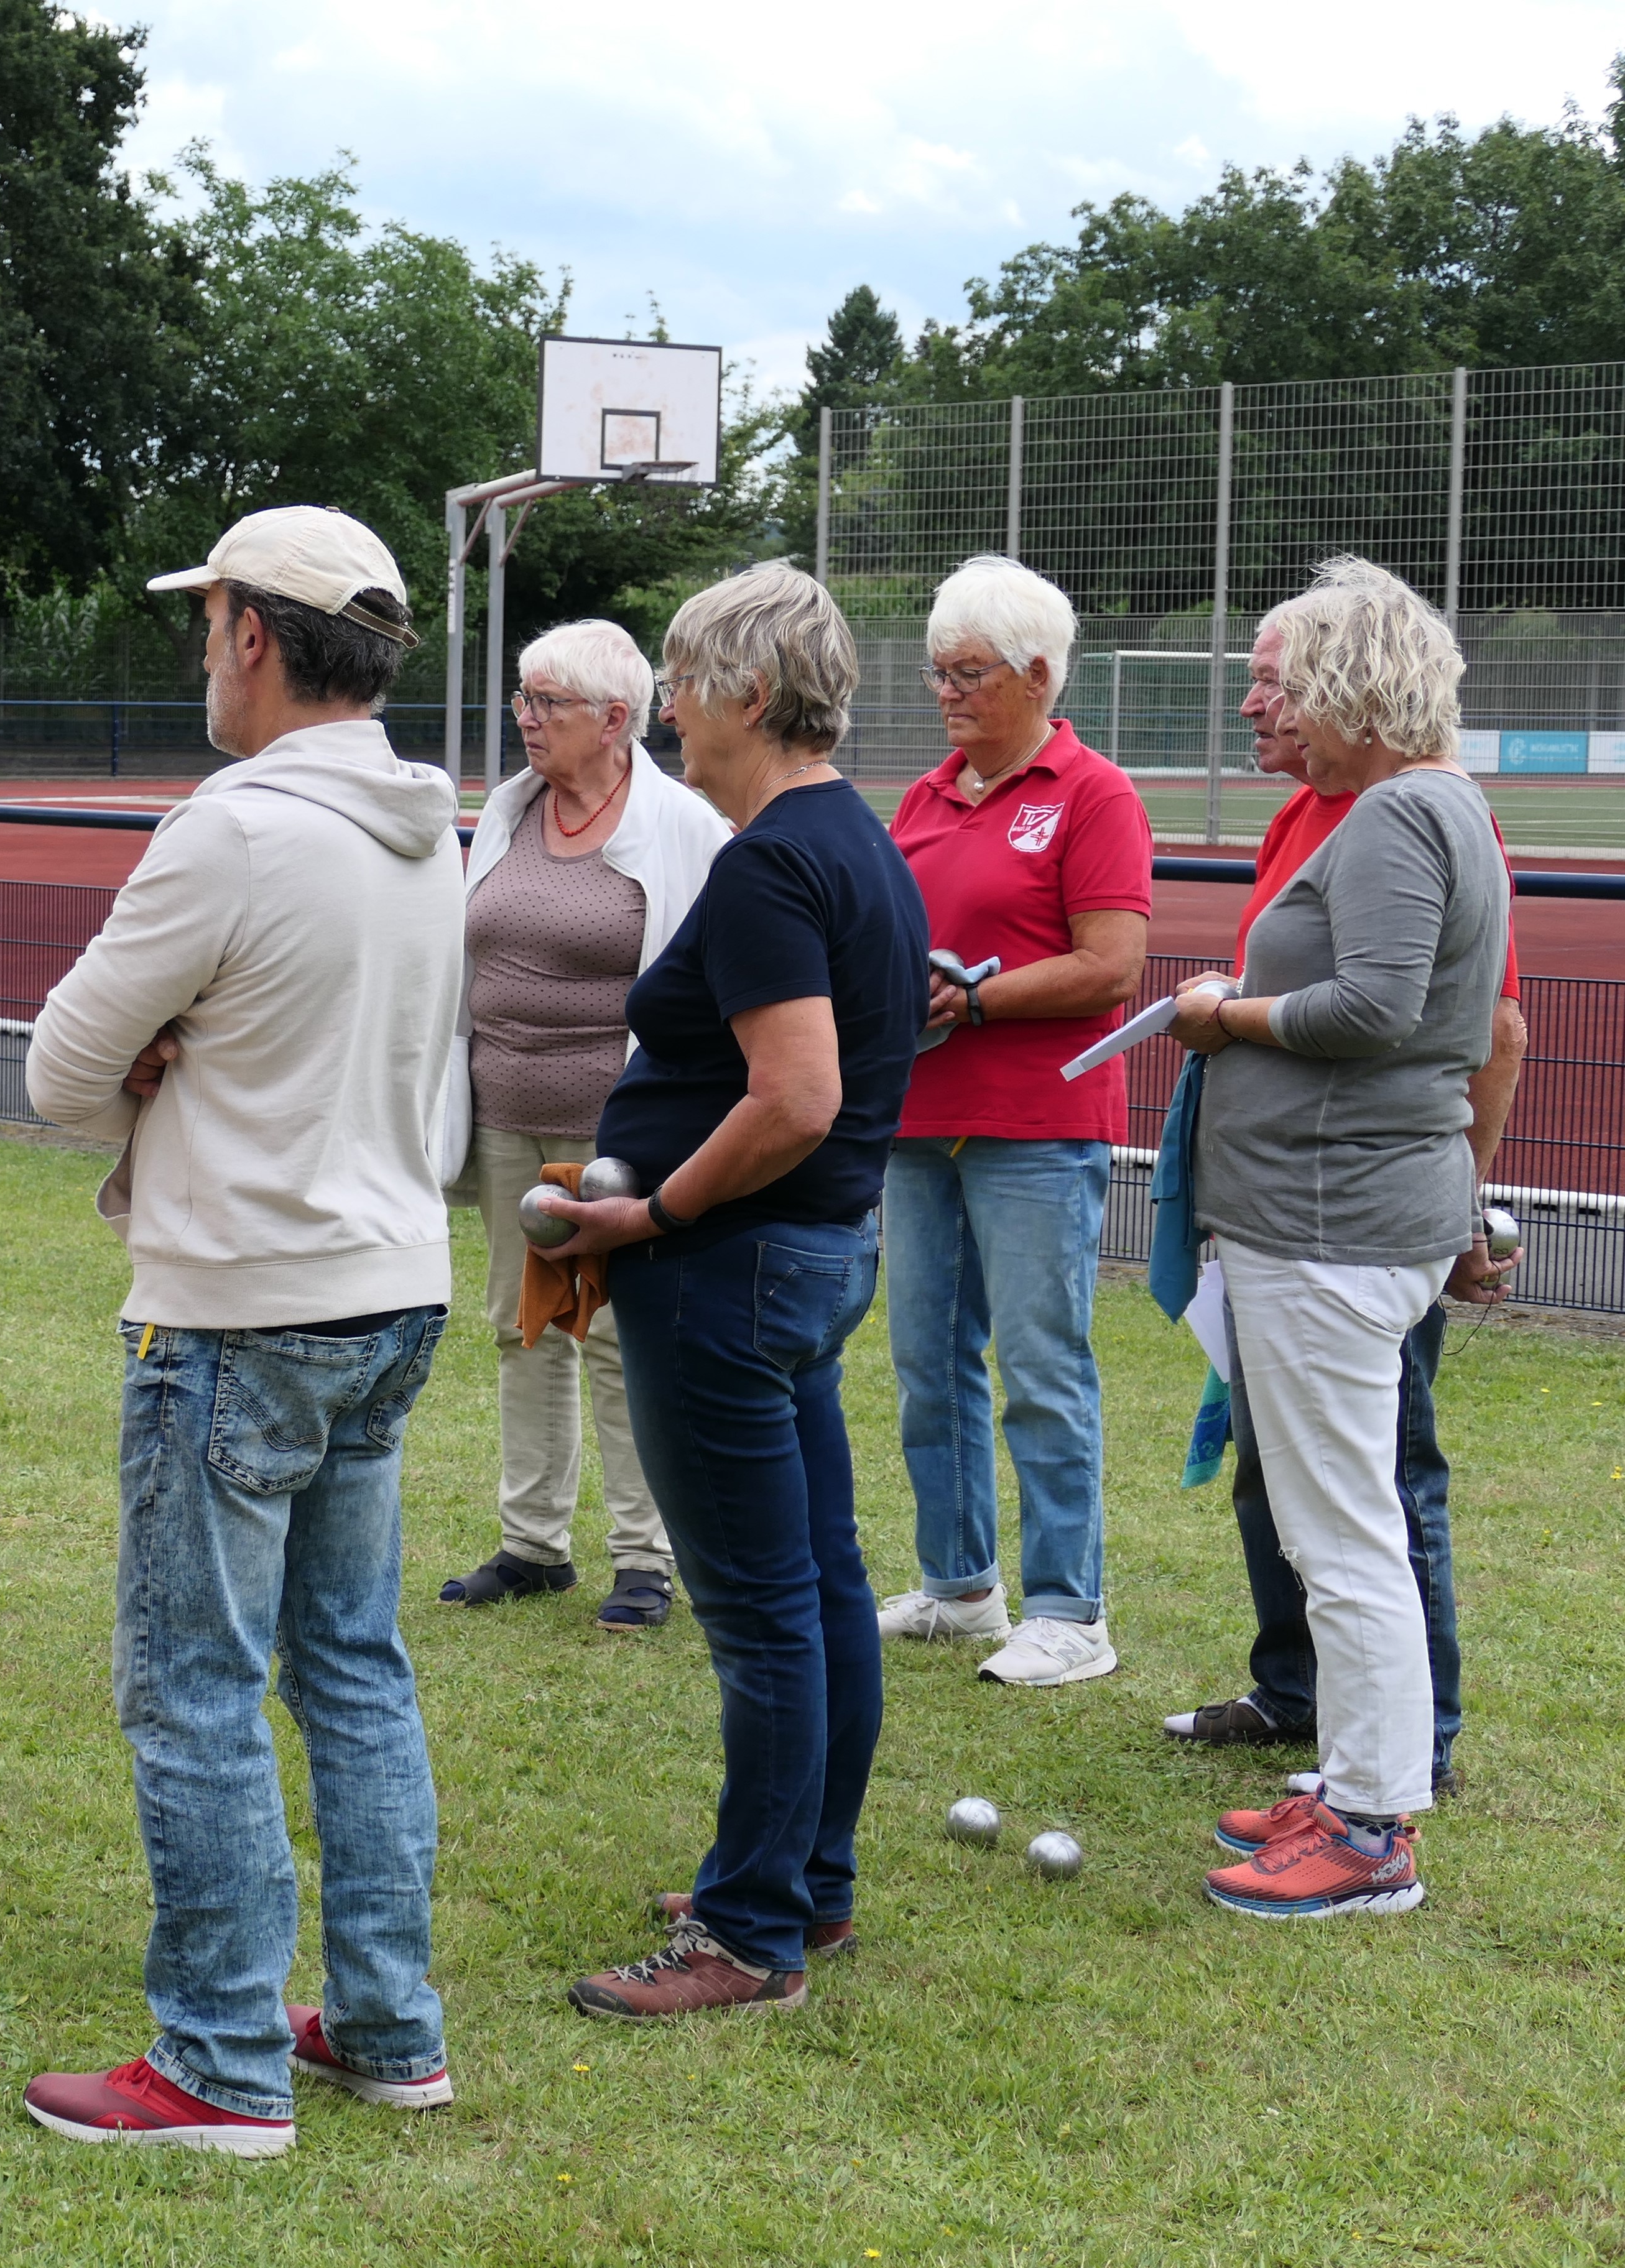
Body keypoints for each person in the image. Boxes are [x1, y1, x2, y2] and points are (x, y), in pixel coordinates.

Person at [18, 507, 464, 2153]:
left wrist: (162, 1066)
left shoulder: (238, 828)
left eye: (209, 625)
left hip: (239, 1302)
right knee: (353, 1669)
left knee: (198, 1683)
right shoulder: (439, 830)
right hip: (387, 1281)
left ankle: (217, 2063)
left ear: (257, 637)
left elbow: (63, 1071)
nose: (202, 655)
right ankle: (386, 2026)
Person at [541, 564, 928, 2019]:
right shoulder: (853, 841)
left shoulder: (768, 860)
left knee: (767, 1612)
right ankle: (799, 1885)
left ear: (746, 698)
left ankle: (751, 1930)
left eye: (683, 686)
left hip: (730, 1272)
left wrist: (648, 1207)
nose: (669, 718)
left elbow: (798, 1094)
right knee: (817, 1587)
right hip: (808, 1263)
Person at [1169, 560, 1506, 1919]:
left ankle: (1370, 1829)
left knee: (1344, 1533)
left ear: (1353, 683)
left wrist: (1230, 1017)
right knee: (1345, 1522)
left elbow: (1373, 1009)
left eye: (1296, 677)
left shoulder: (1391, 816)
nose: (1279, 704)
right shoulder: (1437, 806)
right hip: (1344, 1211)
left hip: (1330, 1221)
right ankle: (1361, 1783)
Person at [873, 557, 1152, 1685]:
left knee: (1042, 1362)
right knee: (926, 1362)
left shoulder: (1094, 794)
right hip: (917, 1114)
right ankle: (957, 1584)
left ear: (1038, 674)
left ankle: (1070, 1608)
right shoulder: (924, 797)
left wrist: (977, 996)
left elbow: (1113, 965)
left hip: (1036, 1120)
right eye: (938, 670)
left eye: (969, 671)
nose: (947, 690)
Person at [437, 617, 726, 1630]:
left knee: (613, 1339)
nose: (525, 718)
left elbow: (707, 981)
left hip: (618, 1137)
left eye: (545, 703)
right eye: (521, 698)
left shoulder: (683, 826)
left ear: (614, 719)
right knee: (522, 1329)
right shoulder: (510, 811)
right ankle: (531, 1544)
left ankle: (644, 1559)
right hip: (505, 1114)